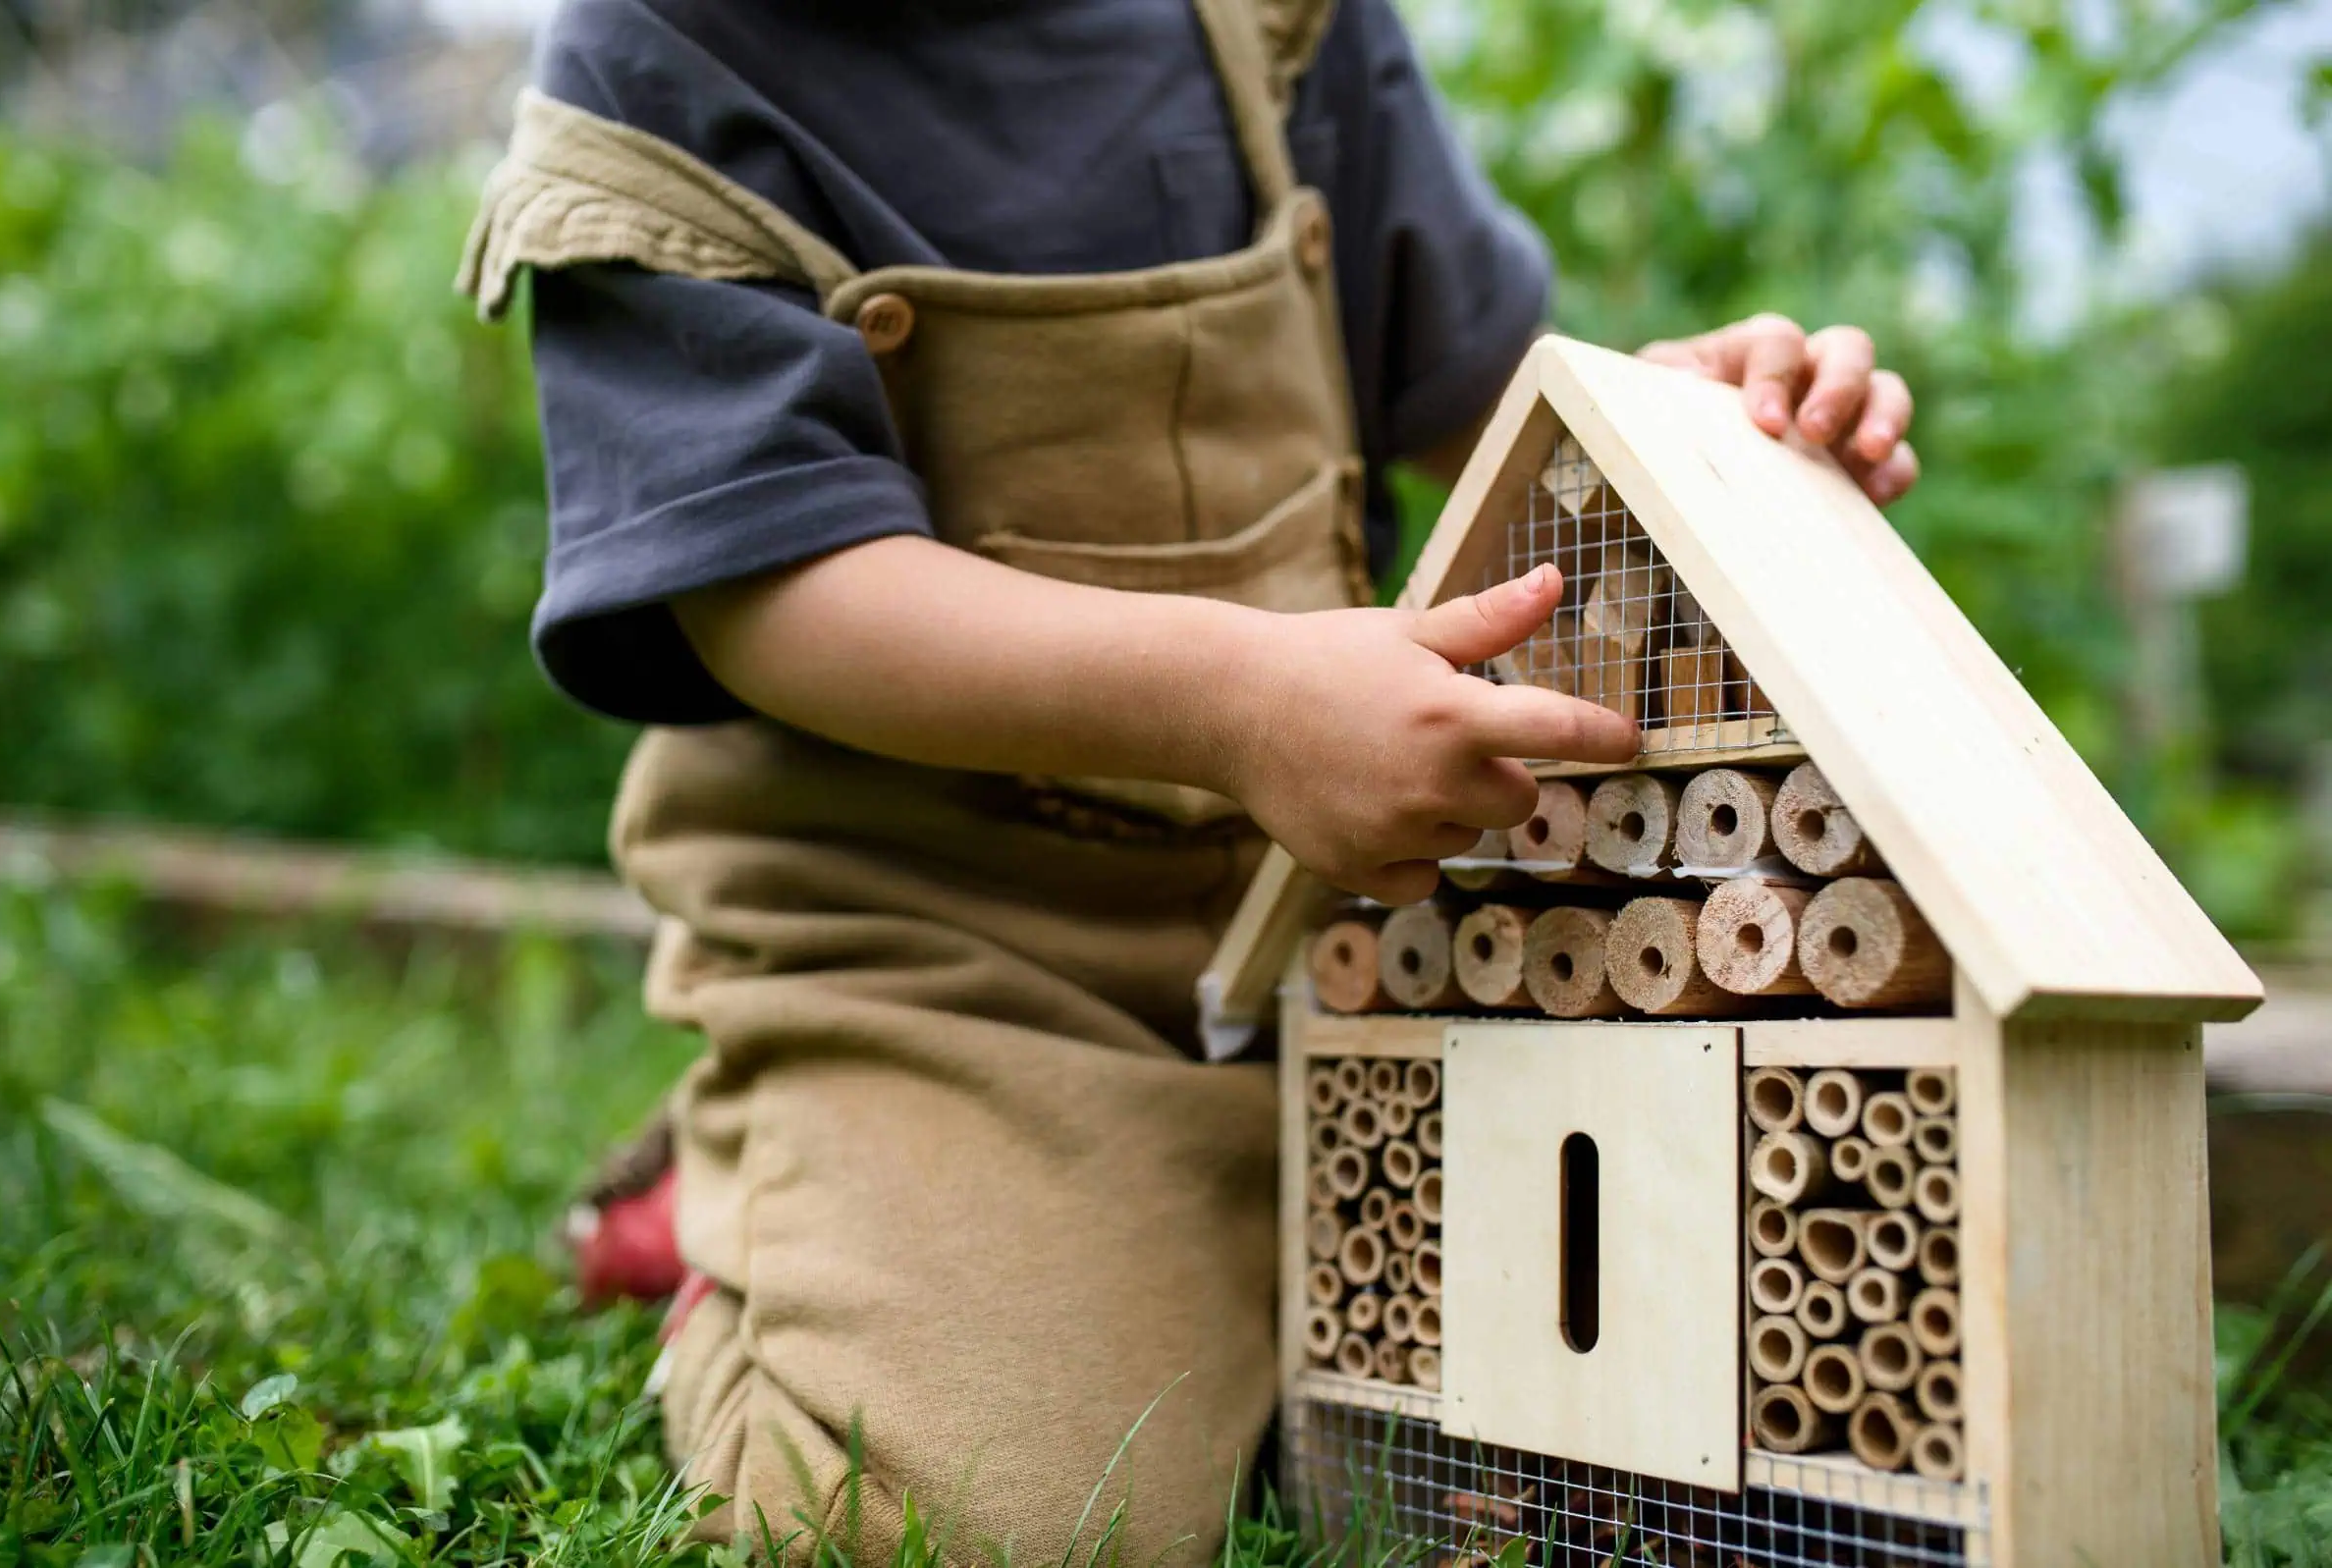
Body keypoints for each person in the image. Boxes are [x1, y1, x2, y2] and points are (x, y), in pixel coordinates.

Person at [459, 0, 1921, 1558]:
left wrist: (1680, 415)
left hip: (1343, 918)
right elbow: (769, 593)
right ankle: (750, 1220)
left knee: (1668, 1362)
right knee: (996, 1516)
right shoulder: (662, 62)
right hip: (942, 952)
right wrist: (1237, 705)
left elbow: (1468, 389)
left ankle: (1136, 1234)